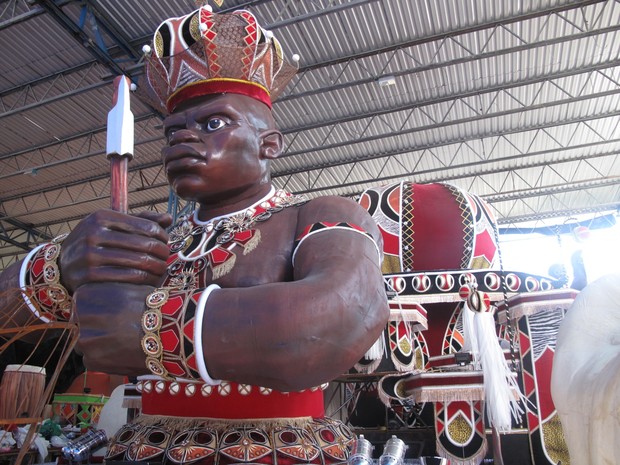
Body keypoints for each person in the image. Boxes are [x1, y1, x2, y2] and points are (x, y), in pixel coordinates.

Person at [0, 5, 389, 465]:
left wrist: (149, 324)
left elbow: (343, 314)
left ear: (270, 143)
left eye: (213, 123)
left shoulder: (320, 215)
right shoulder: (155, 241)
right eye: (171, 133)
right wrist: (61, 265)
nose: (182, 141)